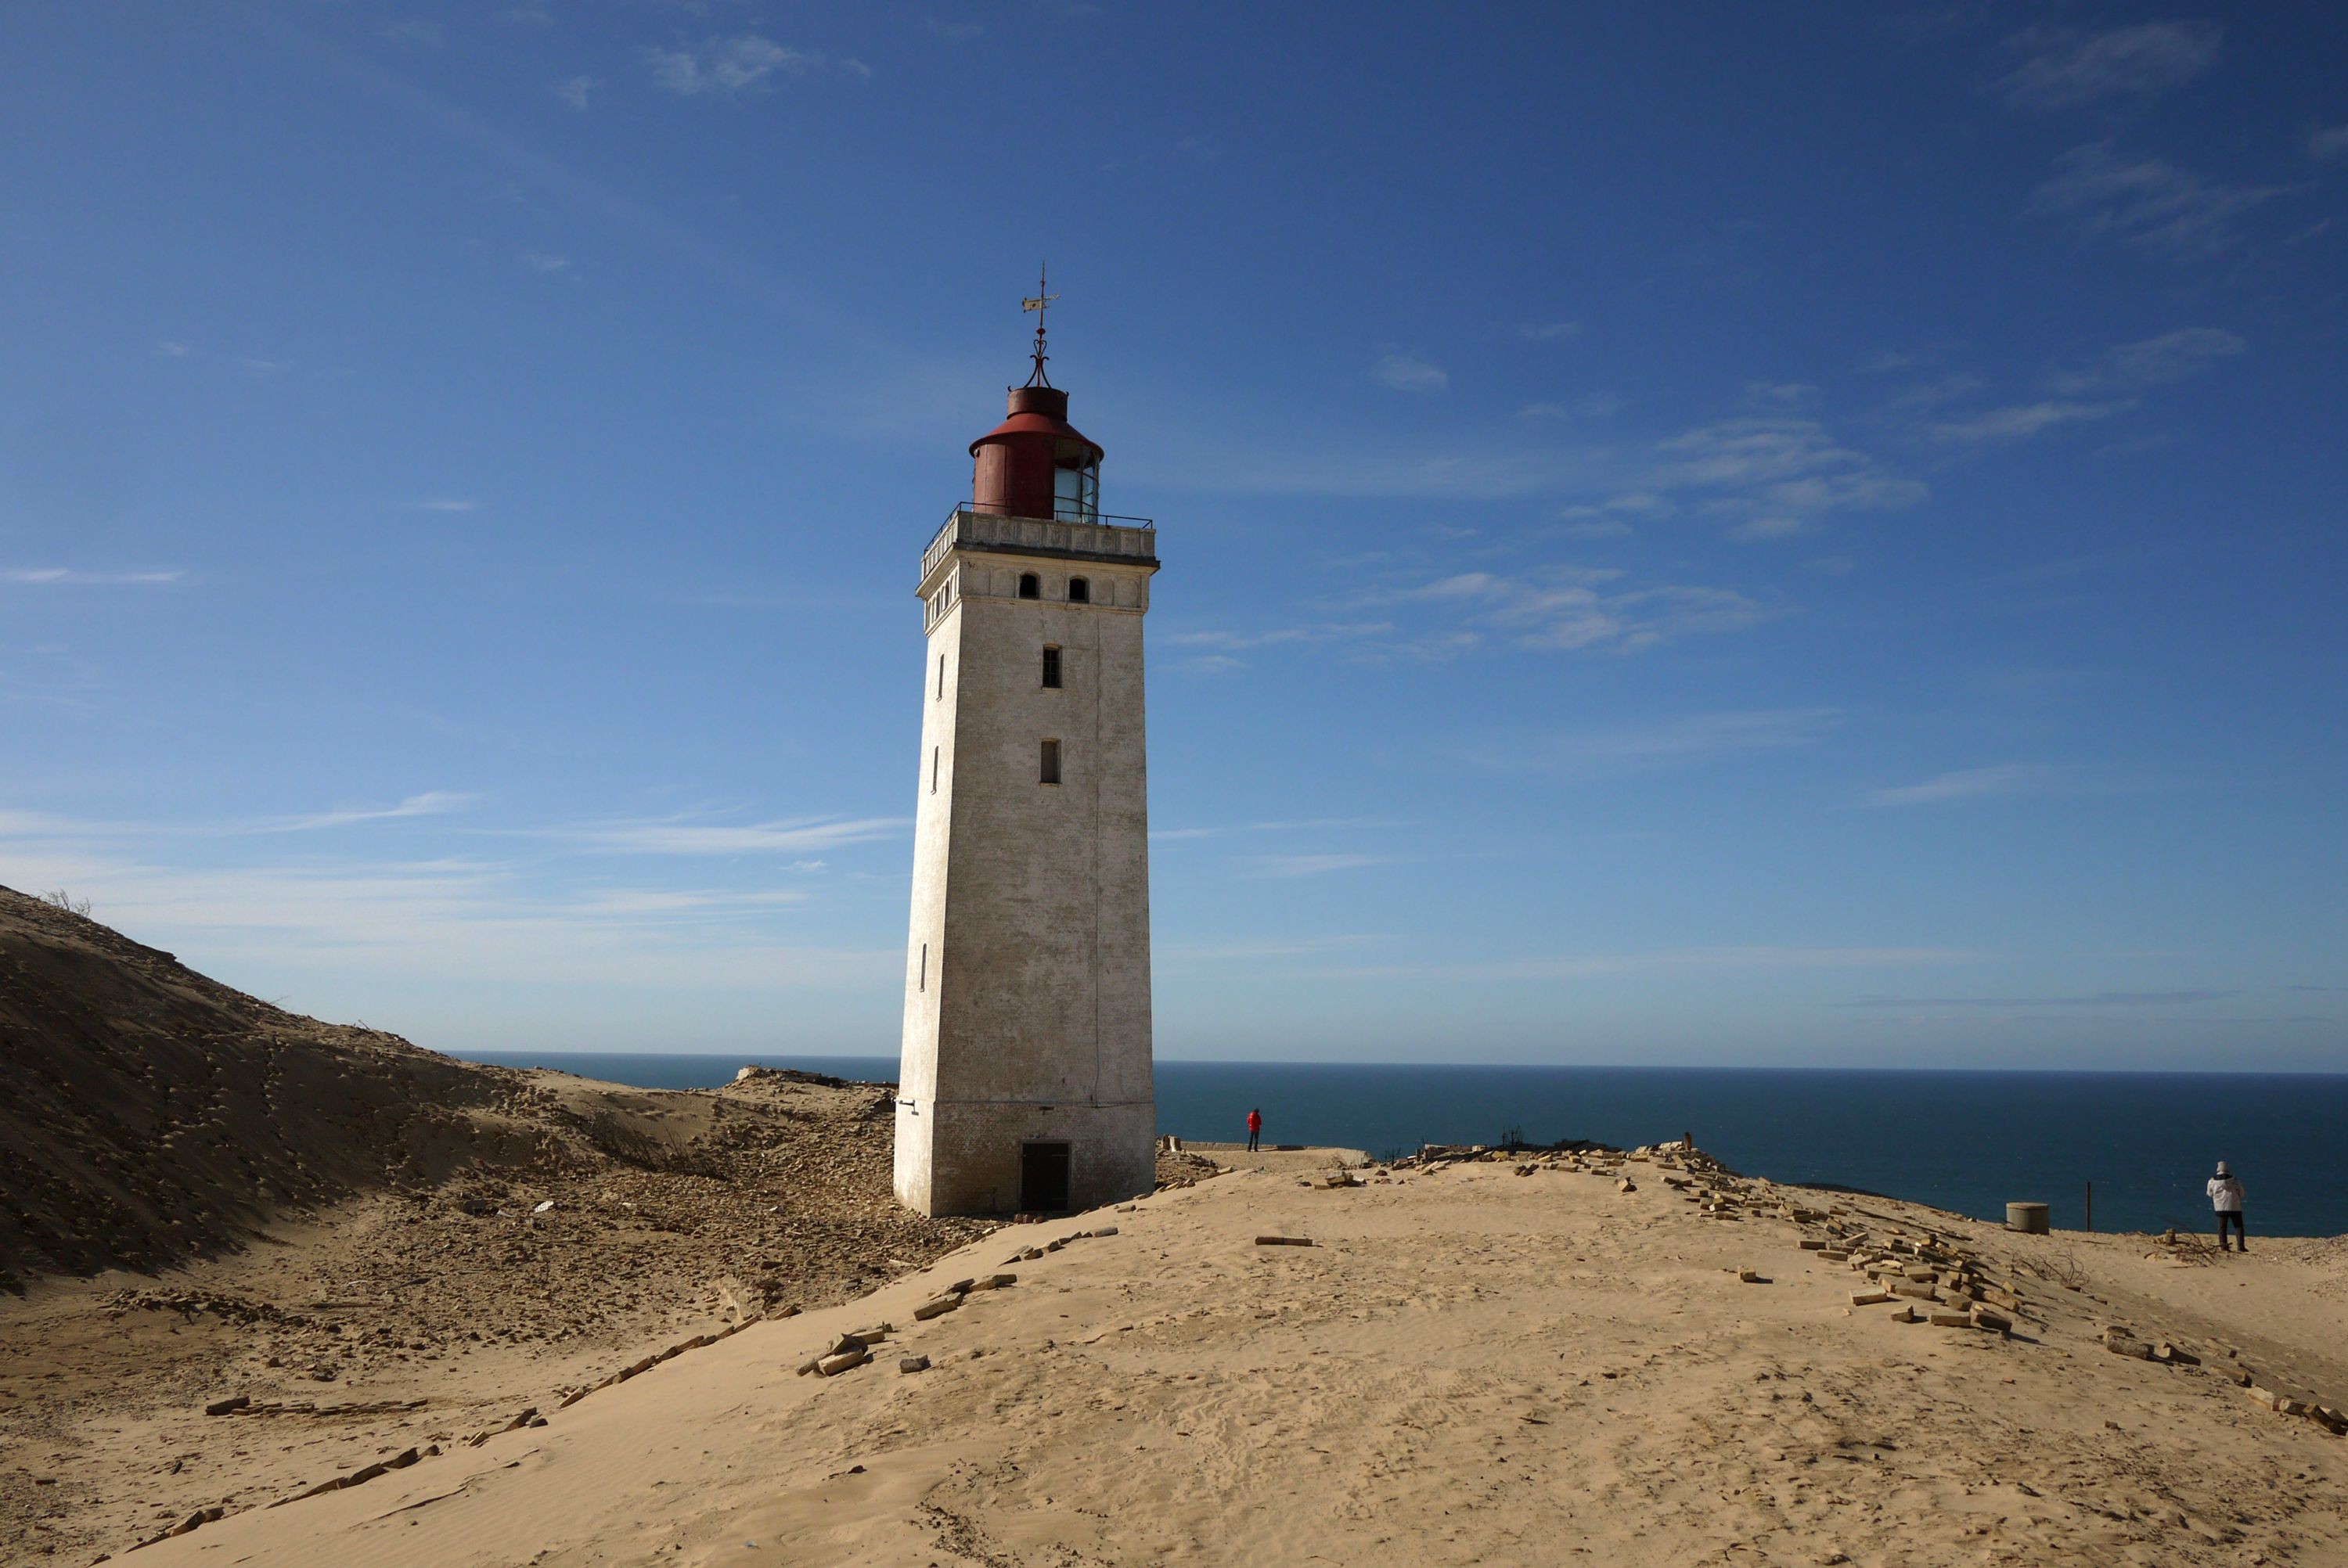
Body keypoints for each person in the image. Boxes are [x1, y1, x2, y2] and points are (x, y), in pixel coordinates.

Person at [2207, 1161, 2246, 1253]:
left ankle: (2224, 1246)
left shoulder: (2212, 1181)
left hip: (2220, 1206)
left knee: (2222, 1228)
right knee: (2238, 1226)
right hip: (2234, 1206)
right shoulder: (2235, 1180)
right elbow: (2242, 1193)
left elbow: (2209, 1193)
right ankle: (2241, 1247)